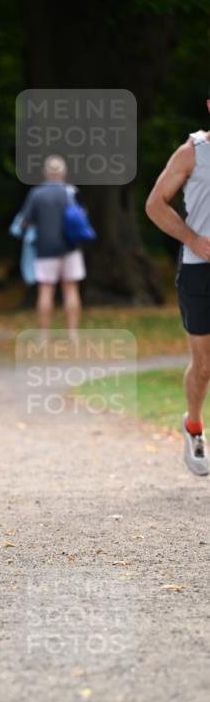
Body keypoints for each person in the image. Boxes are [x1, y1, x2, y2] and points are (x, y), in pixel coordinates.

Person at [145, 91, 210, 477]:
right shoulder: (192, 152)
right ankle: (194, 427)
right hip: (199, 269)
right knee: (204, 366)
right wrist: (192, 239)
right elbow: (155, 204)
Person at [19, 155, 86, 342]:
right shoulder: (71, 192)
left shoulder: (36, 194)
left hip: (45, 249)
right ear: (64, 173)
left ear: (45, 173)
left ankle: (44, 335)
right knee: (71, 289)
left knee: (46, 291)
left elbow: (24, 222)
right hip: (71, 247)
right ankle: (72, 334)